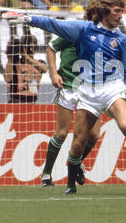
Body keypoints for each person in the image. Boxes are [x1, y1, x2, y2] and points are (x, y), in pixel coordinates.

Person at [2, 0, 126, 195]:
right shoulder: (83, 29)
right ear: (105, 11)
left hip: (112, 88)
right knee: (77, 141)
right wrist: (27, 18)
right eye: (117, 11)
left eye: (122, 11)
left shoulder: (120, 38)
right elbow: (53, 24)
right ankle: (69, 185)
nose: (121, 16)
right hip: (87, 90)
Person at [41, 34, 100, 187]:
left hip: (91, 89)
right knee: (61, 133)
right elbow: (51, 47)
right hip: (68, 86)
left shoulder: (103, 35)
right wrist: (53, 73)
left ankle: (75, 162)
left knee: (93, 135)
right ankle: (47, 174)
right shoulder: (73, 31)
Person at [4, 34, 47, 103]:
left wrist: (26, 56)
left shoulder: (39, 63)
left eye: (33, 47)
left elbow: (44, 69)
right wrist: (9, 57)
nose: (30, 49)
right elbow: (8, 79)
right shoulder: (15, 63)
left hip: (32, 101)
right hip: (16, 101)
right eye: (28, 47)